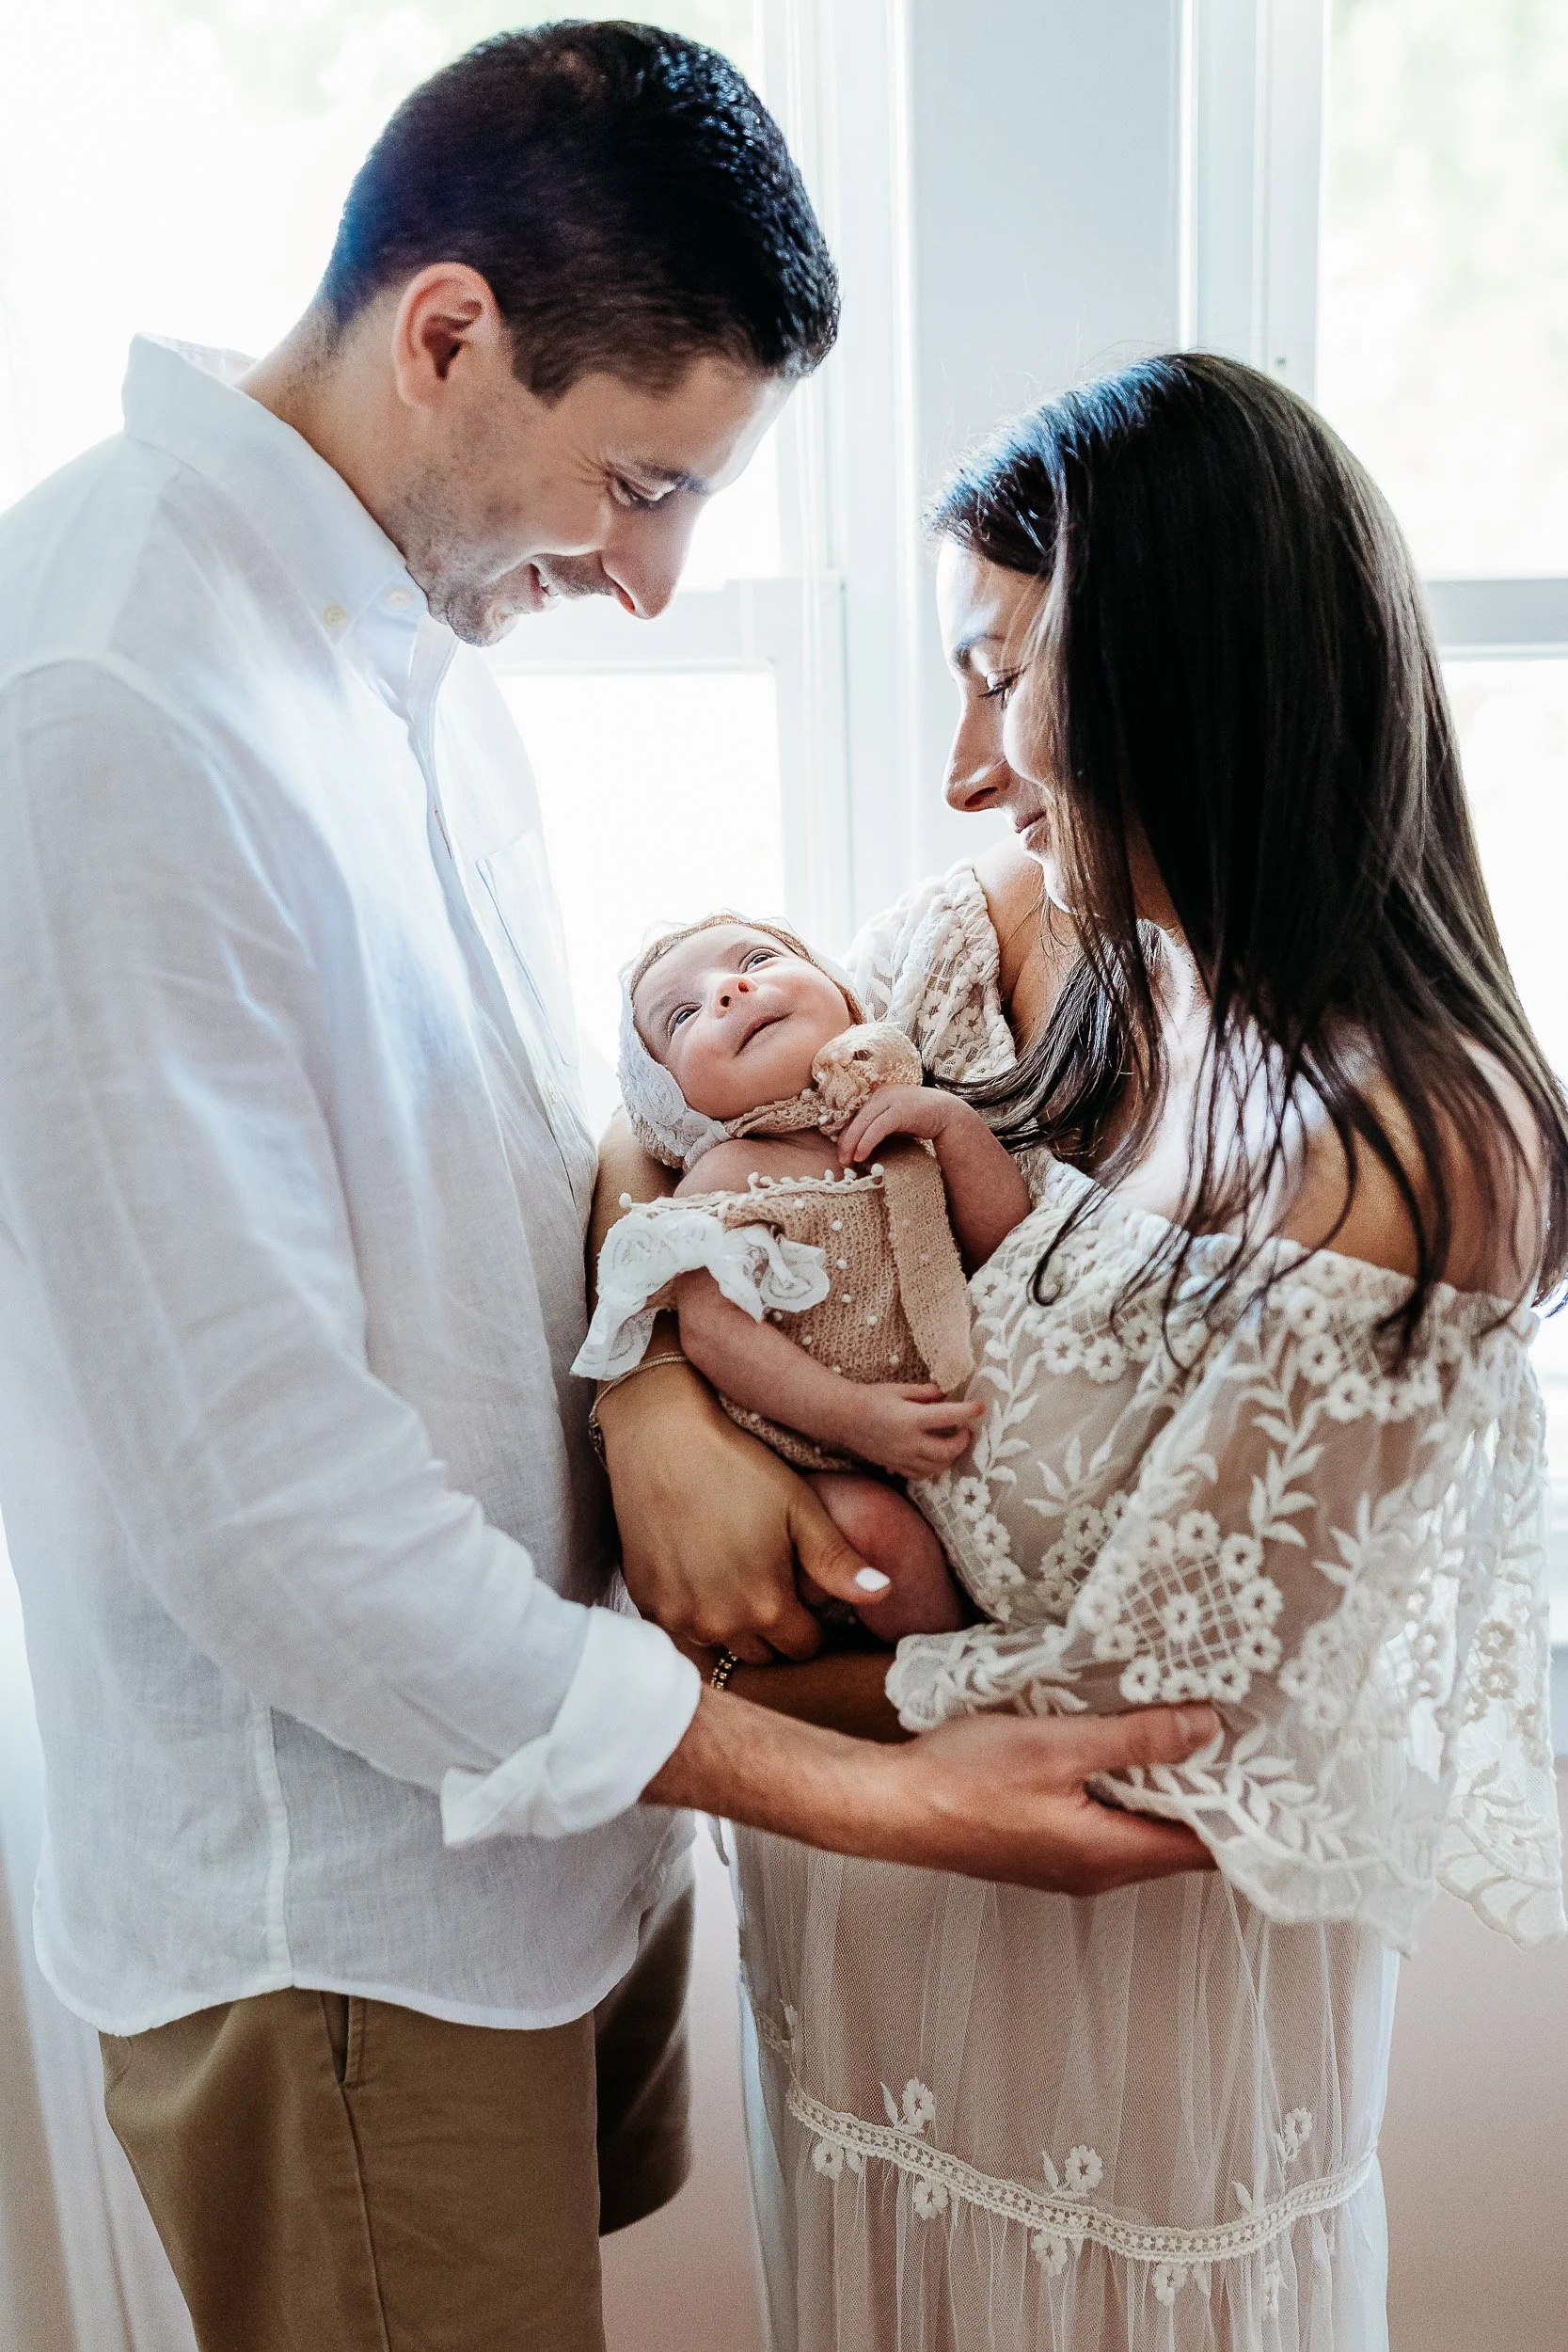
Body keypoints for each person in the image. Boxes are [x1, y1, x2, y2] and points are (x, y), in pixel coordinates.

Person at [0, 26, 1218, 2352]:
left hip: (554, 1823)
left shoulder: (396, 631)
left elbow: (499, 1122)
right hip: (354, 1913)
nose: (651, 585)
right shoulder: (107, 711)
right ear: (446, 331)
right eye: (638, 485)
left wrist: (652, 1389)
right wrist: (901, 1800)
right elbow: (269, 1525)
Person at [596, 357, 1567, 2349]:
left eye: (999, 671)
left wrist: (684, 1678)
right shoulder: (995, 956)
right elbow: (643, 1117)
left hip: (1124, 2099)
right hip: (855, 1989)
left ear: (1183, 669)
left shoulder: (1418, 1149)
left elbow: (1138, 1735)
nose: (964, 766)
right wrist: (643, 1416)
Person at [576, 909, 1035, 1639]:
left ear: (842, 995)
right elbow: (714, 1335)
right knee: (878, 1531)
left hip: (938, 1423)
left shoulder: (904, 1124)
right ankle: (949, 1678)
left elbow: (1003, 1243)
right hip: (807, 1448)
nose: (727, 991)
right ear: (671, 1102)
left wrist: (954, 1127)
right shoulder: (721, 1180)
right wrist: (853, 1418)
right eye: (683, 1015)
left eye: (755, 961)